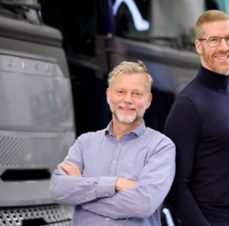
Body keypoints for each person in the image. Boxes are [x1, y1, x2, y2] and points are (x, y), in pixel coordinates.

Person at [50, 61, 176, 226]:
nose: (128, 99)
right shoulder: (84, 143)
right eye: (121, 92)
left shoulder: (161, 147)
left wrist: (83, 193)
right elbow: (58, 189)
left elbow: (143, 204)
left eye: (137, 93)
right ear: (108, 95)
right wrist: (116, 183)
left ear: (149, 100)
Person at [164, 10, 229, 226]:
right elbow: (176, 186)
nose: (224, 47)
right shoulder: (188, 105)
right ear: (199, 46)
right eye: (214, 40)